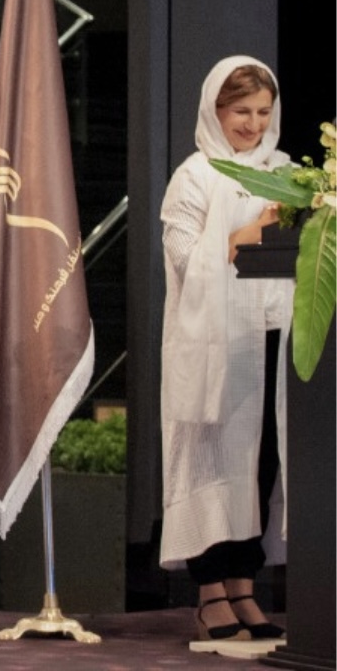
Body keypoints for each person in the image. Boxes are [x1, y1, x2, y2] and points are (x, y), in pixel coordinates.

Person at [160, 56, 290, 644]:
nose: (253, 124)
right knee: (210, 459)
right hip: (212, 342)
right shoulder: (194, 175)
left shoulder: (286, 172)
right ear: (215, 109)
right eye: (241, 111)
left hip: (269, 338)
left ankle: (244, 583)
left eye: (263, 112)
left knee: (257, 464)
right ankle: (210, 589)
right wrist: (249, 233)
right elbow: (188, 258)